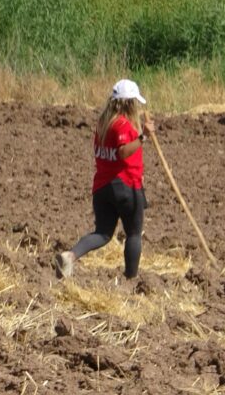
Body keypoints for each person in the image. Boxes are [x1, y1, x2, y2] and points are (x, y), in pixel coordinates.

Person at [56, 79, 155, 280]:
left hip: (103, 187)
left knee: (102, 233)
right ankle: (131, 280)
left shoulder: (103, 123)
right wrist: (143, 137)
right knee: (134, 234)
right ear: (129, 103)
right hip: (126, 186)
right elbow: (122, 152)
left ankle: (71, 255)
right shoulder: (122, 125)